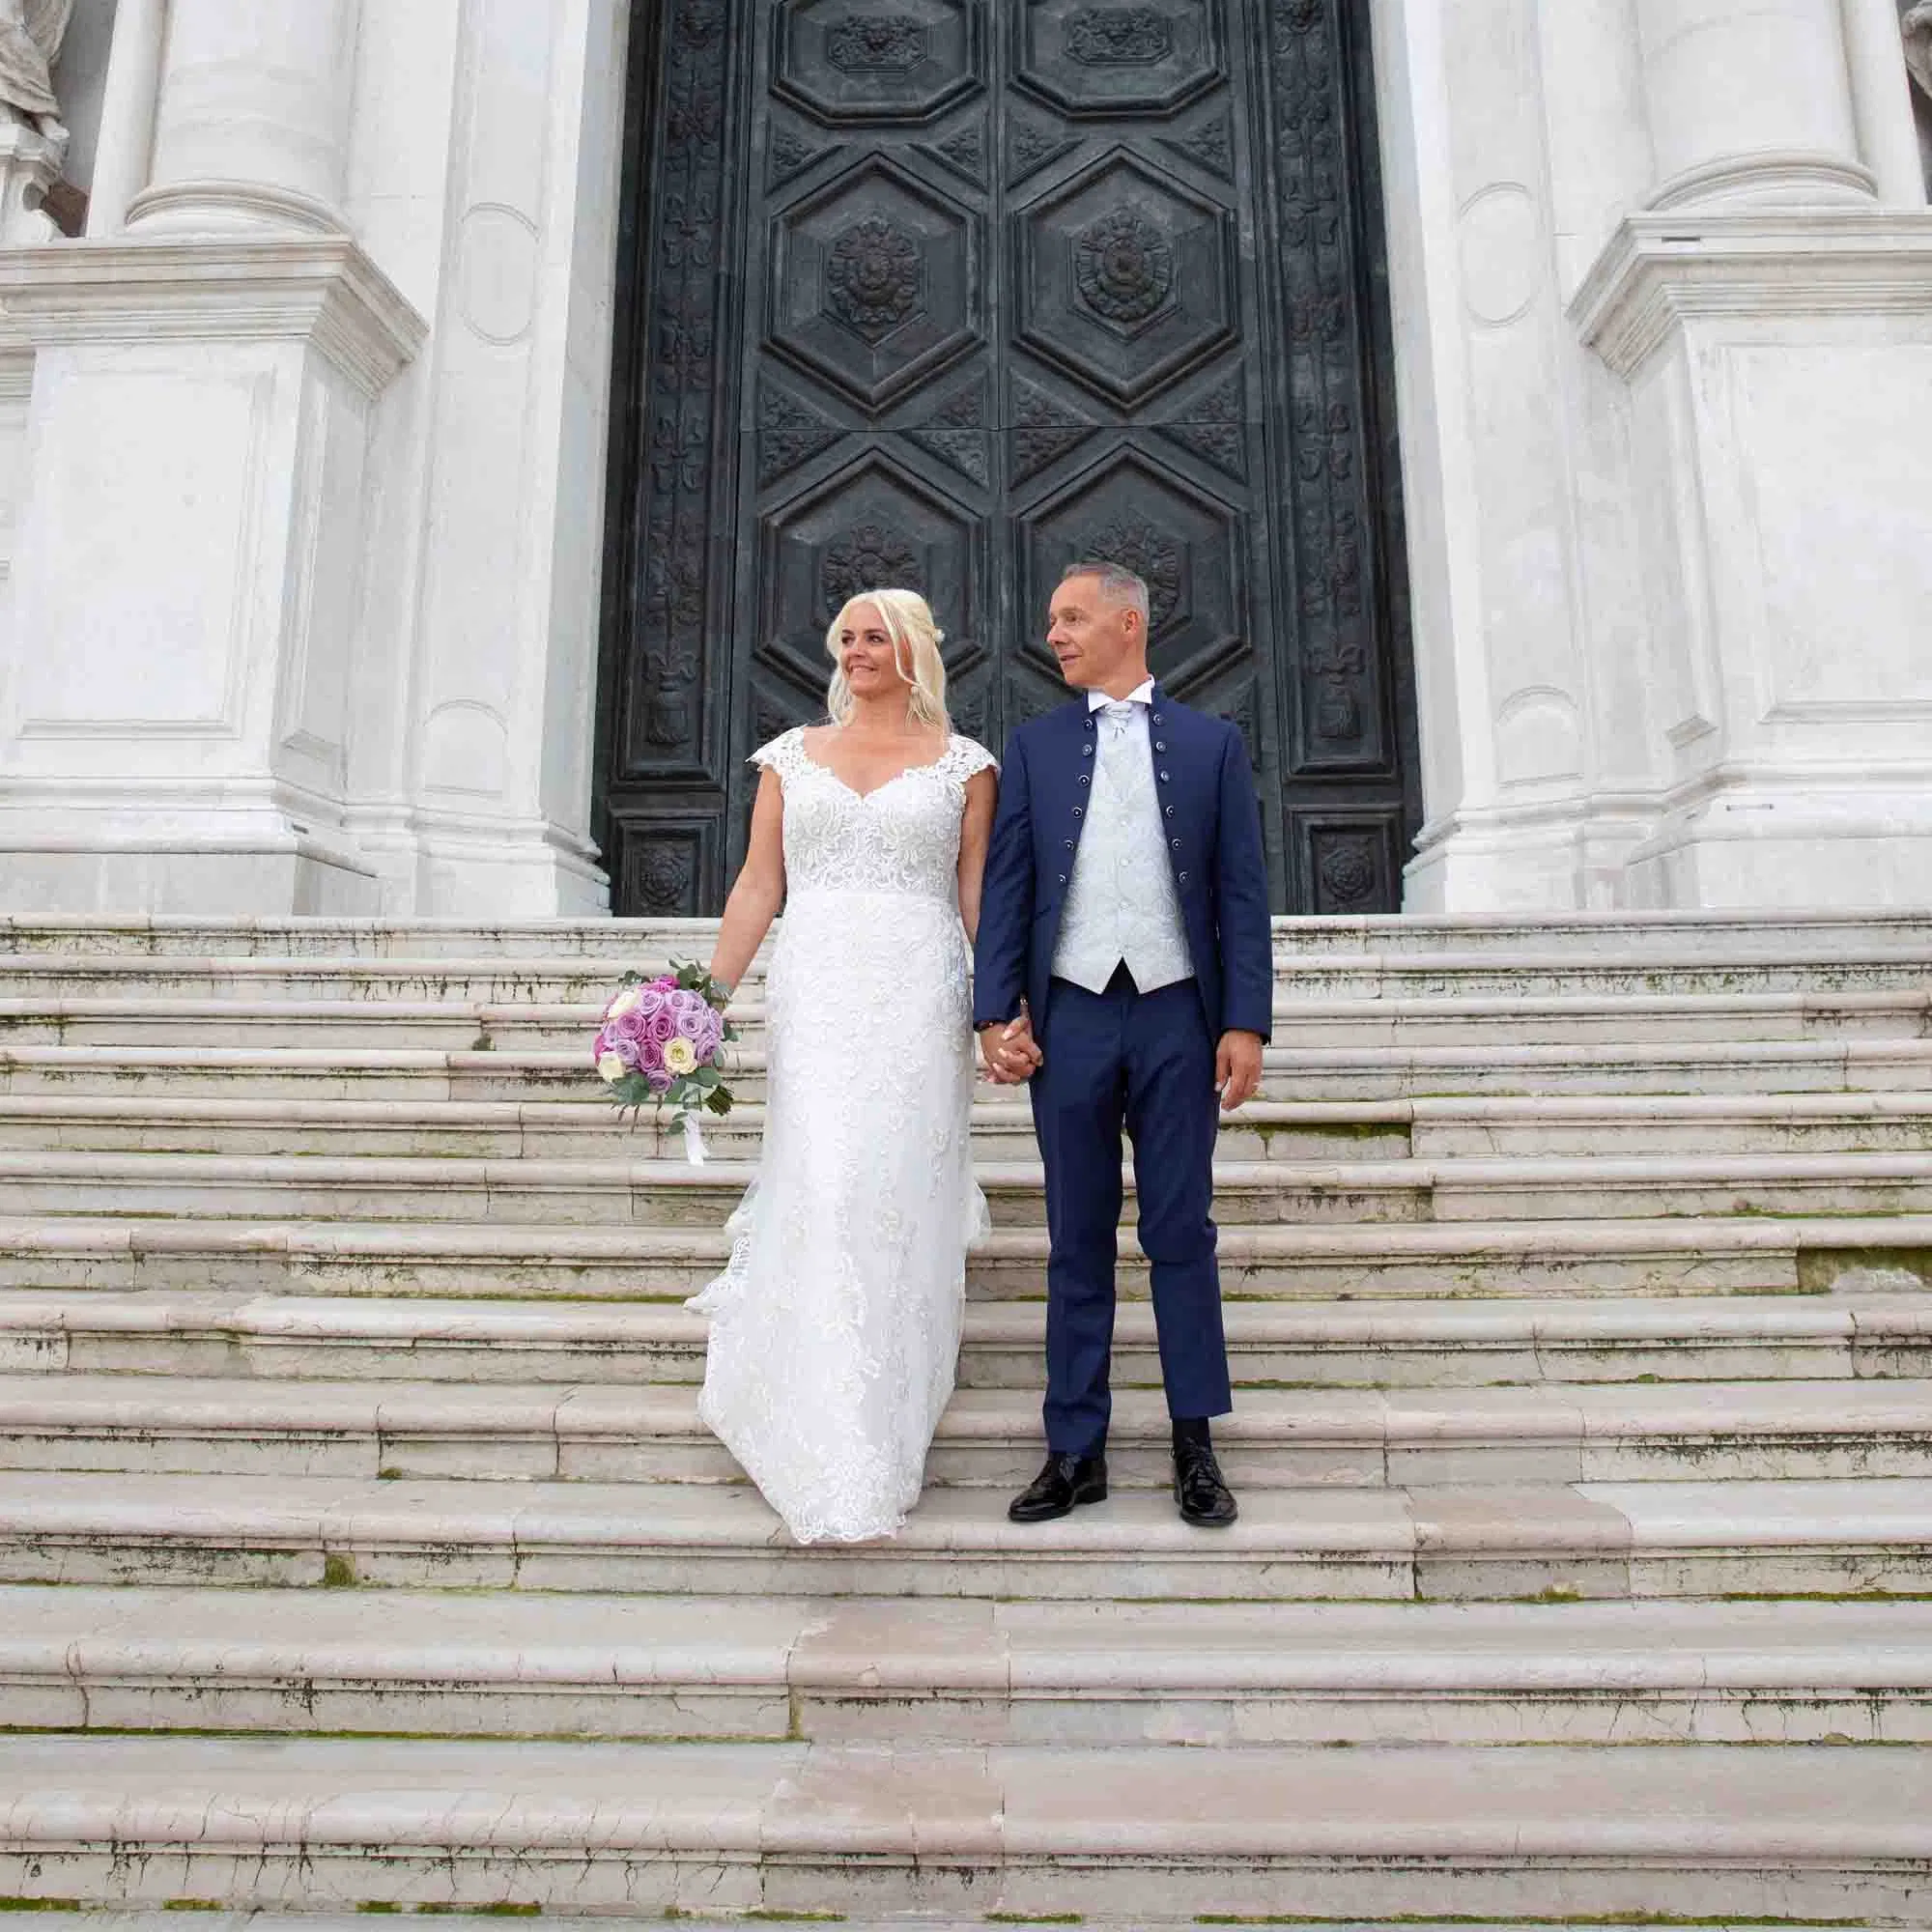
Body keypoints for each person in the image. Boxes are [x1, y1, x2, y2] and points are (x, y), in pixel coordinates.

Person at [690, 587, 998, 1544]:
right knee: (822, 1183)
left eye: (875, 636)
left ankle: (879, 1417)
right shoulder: (790, 756)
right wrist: (700, 1003)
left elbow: (974, 892)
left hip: (918, 986)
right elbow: (757, 882)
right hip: (818, 985)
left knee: (891, 1188)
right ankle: (812, 1413)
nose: (857, 650)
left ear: (912, 649)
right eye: (847, 637)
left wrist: (999, 1010)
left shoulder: (964, 766)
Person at [972, 561, 1272, 1527]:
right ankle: (1074, 1448)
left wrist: (1244, 1023)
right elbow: (1009, 885)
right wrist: (992, 1013)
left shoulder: (1211, 743)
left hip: (1178, 1013)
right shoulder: (1033, 746)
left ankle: (1194, 1445)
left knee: (1179, 1229)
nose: (1052, 632)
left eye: (1070, 616)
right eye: (1052, 618)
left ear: (1126, 621)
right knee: (1075, 1239)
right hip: (1071, 1017)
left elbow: (1239, 894)